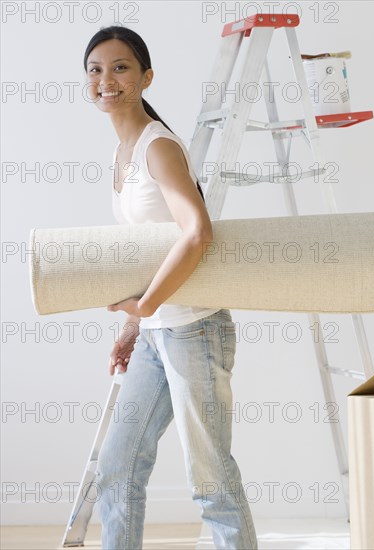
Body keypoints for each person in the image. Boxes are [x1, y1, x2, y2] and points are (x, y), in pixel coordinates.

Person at [83, 25, 258, 549]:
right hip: (158, 335)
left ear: (146, 77)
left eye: (120, 68)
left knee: (211, 483)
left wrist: (148, 305)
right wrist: (135, 325)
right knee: (117, 470)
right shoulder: (122, 153)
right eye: (95, 70)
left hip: (195, 331)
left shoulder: (157, 146)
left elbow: (197, 231)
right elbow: (152, 249)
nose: (105, 80)